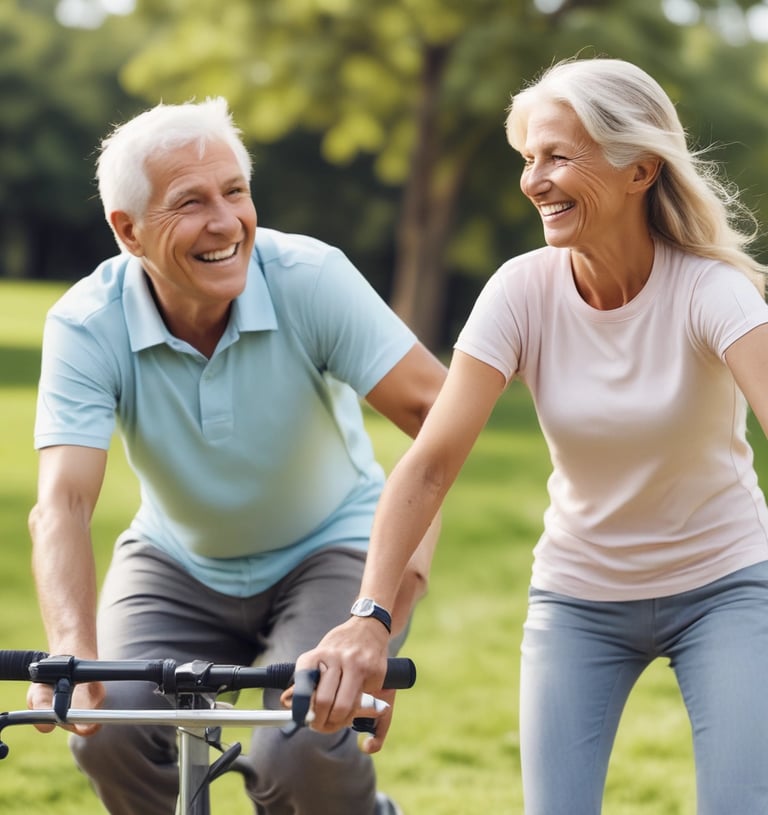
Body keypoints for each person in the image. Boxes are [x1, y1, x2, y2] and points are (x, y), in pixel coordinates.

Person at [296, 56, 768, 814]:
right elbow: (430, 463)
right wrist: (370, 616)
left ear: (640, 169)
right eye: (529, 158)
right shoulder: (521, 291)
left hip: (724, 584)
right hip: (580, 595)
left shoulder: (712, 292)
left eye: (558, 157)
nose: (534, 181)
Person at [26, 96, 447, 815]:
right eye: (190, 202)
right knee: (108, 730)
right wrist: (72, 649)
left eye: (235, 192)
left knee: (300, 747)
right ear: (127, 229)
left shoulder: (308, 277)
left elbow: (440, 421)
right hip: (177, 561)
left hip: (331, 545)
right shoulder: (87, 323)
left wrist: (382, 615)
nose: (225, 222)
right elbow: (63, 502)